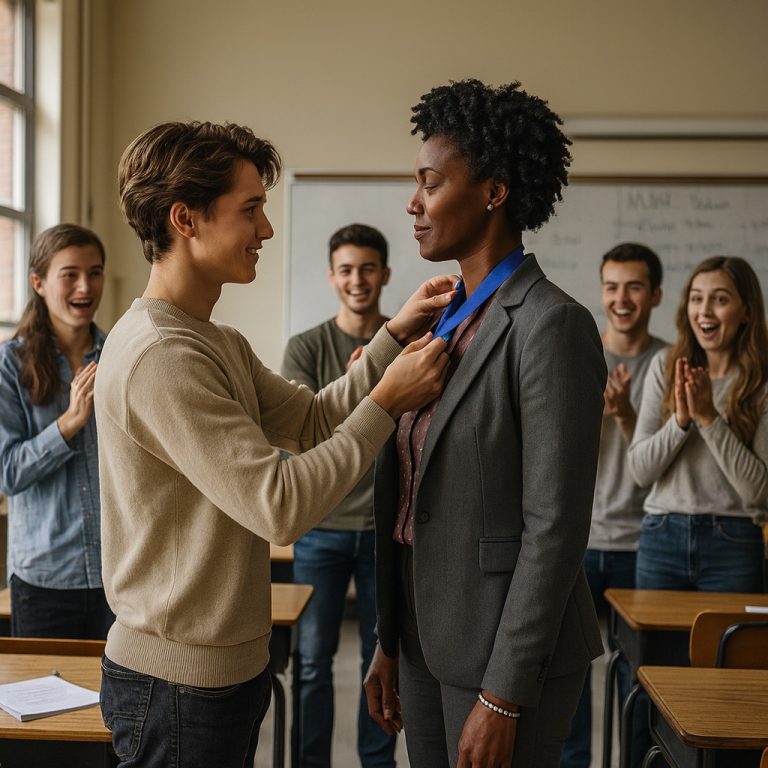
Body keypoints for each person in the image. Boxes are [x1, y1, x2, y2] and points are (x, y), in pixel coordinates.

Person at [95, 120, 454, 768]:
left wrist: (393, 337)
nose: (266, 230)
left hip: (219, 673)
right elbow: (279, 505)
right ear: (186, 219)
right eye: (251, 210)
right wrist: (388, 400)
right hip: (178, 684)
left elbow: (314, 420)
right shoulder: (162, 355)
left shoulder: (215, 340)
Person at [363, 79, 606, 768]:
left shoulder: (551, 324)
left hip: (502, 650)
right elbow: (412, 491)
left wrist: (503, 694)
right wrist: (390, 637)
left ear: (494, 192)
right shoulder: (444, 318)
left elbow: (554, 528)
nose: (413, 202)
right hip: (422, 633)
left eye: (430, 183)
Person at [281, 223, 396, 767]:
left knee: (382, 661)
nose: (358, 280)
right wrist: (365, 390)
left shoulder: (408, 340)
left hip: (386, 528)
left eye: (368, 268)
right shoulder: (305, 347)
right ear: (332, 277)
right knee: (311, 662)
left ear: (385, 274)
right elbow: (304, 435)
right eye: (346, 270)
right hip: (321, 527)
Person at [560, 243, 666, 768]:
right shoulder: (577, 353)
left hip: (642, 542)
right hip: (577, 539)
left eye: (634, 287)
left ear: (656, 295)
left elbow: (667, 465)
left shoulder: (672, 364)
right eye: (611, 287)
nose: (620, 299)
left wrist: (626, 415)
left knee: (636, 680)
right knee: (568, 675)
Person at [0, 223, 113, 639]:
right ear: (39, 283)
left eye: (95, 272)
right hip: (43, 582)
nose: (85, 286)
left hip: (117, 576)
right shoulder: (9, 365)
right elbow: (6, 473)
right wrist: (68, 425)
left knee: (118, 706)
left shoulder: (122, 354)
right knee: (48, 706)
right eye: (70, 274)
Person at [629, 256, 768, 592]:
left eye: (720, 299)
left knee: (728, 646)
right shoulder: (665, 365)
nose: (704, 311)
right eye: (696, 298)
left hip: (734, 543)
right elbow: (640, 471)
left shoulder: (761, 381)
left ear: (746, 311)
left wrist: (708, 418)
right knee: (656, 646)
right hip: (661, 536)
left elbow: (760, 493)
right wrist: (680, 420)